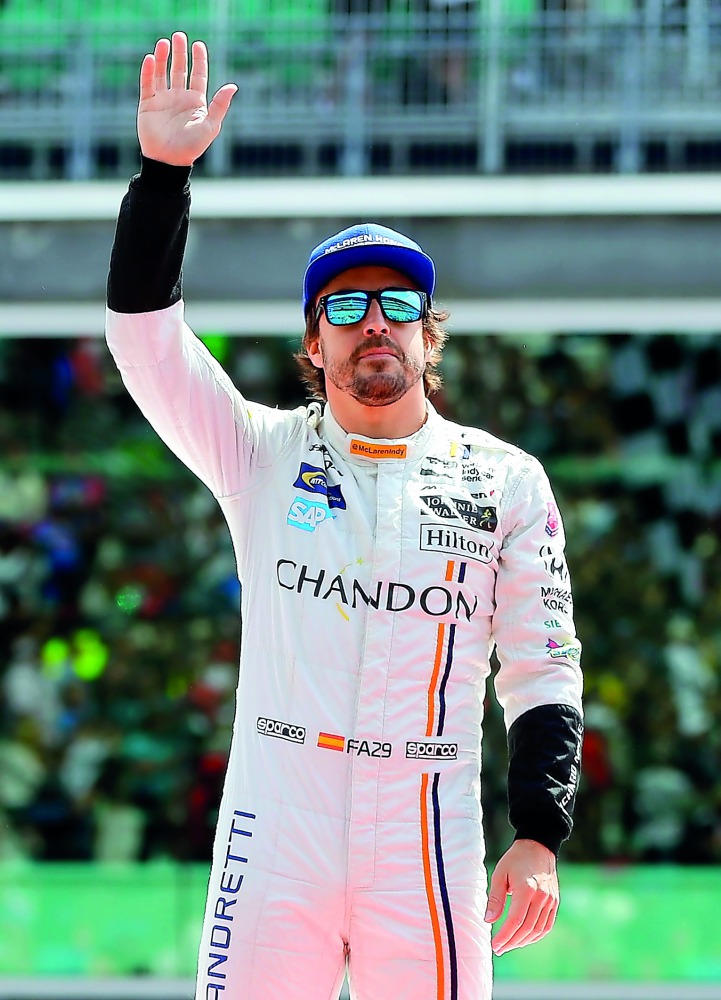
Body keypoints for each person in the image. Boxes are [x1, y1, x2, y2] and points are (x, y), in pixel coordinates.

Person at [105, 31, 583, 1000]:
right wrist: (162, 179)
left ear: (426, 335)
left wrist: (537, 832)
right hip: (277, 819)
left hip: (428, 825)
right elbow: (146, 343)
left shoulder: (507, 479)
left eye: (398, 304)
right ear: (313, 342)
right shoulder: (259, 451)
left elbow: (542, 665)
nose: (374, 321)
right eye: (346, 305)